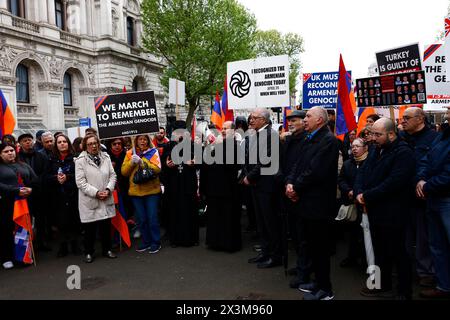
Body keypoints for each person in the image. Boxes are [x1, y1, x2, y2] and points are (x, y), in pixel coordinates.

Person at [355, 118, 415, 300]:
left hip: (394, 212)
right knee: (380, 251)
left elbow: (394, 183)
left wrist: (367, 195)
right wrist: (359, 192)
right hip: (375, 210)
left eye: (377, 134)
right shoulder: (375, 149)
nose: (373, 138)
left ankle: (404, 292)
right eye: (372, 133)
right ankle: (382, 285)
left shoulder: (404, 153)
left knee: (398, 253)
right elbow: (363, 172)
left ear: (391, 134)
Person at [285, 106, 339, 300]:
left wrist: (296, 188)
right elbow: (297, 166)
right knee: (311, 246)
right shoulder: (309, 139)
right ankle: (317, 282)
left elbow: (315, 171)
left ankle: (325, 290)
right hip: (304, 202)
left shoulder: (329, 141)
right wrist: (290, 183)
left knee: (320, 248)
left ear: (319, 120)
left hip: (318, 204)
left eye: (308, 116)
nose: (304, 119)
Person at [400, 107, 439, 288]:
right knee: (404, 236)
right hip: (401, 196)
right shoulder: (401, 138)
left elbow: (432, 164)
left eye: (407, 118)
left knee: (423, 236)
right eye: (402, 118)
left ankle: (426, 272)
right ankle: (406, 268)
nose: (403, 121)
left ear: (420, 118)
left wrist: (421, 181)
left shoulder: (434, 138)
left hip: (422, 196)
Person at [415, 107, 450, 299]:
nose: (447, 110)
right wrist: (421, 179)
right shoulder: (442, 135)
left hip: (446, 199)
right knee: (437, 245)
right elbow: (425, 160)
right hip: (433, 199)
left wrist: (428, 185)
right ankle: (444, 286)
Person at [243, 108, 282, 269]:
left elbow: (265, 161)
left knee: (270, 222)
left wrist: (250, 176)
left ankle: (275, 256)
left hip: (267, 186)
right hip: (256, 185)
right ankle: (265, 252)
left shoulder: (271, 135)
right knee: (261, 222)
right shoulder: (255, 135)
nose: (251, 120)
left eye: (255, 117)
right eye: (250, 117)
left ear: (265, 120)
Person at [276, 110, 309, 288]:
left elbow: (305, 167)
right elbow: (282, 162)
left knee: (303, 236)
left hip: (300, 194)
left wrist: (295, 187)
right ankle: (301, 265)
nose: (290, 123)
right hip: (287, 189)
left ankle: (305, 270)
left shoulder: (307, 140)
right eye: (289, 121)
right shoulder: (288, 140)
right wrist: (285, 181)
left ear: (304, 122)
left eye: (294, 120)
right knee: (295, 235)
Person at [75, 134, 117, 263]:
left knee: (105, 226)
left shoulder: (106, 157)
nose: (93, 146)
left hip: (106, 196)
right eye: (90, 144)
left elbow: (112, 175)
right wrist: (97, 192)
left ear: (99, 144)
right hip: (90, 199)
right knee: (90, 229)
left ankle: (107, 249)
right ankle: (89, 252)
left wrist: (109, 189)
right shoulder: (80, 161)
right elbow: (81, 182)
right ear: (85, 146)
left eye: (95, 143)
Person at [201, 121, 241, 252]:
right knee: (215, 216)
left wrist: (219, 147)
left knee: (228, 217)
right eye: (222, 128)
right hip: (213, 186)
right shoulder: (216, 144)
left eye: (226, 128)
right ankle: (215, 242)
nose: (223, 131)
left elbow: (230, 164)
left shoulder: (235, 146)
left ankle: (228, 244)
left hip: (228, 188)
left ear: (233, 131)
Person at [122, 135, 162, 253]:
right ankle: (146, 241)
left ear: (148, 140)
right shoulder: (130, 153)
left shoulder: (153, 152)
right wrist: (131, 163)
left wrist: (142, 161)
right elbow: (124, 172)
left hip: (152, 191)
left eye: (145, 139)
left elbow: (158, 168)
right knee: (142, 219)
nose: (142, 141)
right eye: (140, 139)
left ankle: (156, 242)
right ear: (136, 141)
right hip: (136, 192)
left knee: (152, 217)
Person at [163, 120, 199, 247]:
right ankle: (175, 239)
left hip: (188, 182)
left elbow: (200, 161)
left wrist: (194, 161)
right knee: (175, 210)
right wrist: (167, 164)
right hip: (174, 184)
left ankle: (191, 238)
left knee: (189, 209)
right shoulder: (169, 146)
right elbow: (164, 163)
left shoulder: (192, 145)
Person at [0, 142, 36, 269]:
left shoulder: (23, 165)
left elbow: (34, 180)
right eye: (6, 151)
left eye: (12, 150)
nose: (10, 153)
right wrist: (15, 190)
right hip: (6, 204)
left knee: (25, 228)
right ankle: (6, 257)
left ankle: (23, 255)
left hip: (25, 203)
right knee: (7, 230)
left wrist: (30, 189)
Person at [46, 134, 81, 257]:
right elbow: (45, 177)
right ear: (56, 145)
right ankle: (63, 246)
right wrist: (56, 178)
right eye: (59, 142)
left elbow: (80, 175)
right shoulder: (51, 159)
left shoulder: (75, 158)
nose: (62, 144)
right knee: (61, 221)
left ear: (68, 143)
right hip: (58, 196)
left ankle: (75, 245)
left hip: (73, 194)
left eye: (64, 141)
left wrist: (68, 177)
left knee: (74, 220)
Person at [338, 138, 368, 268]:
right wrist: (348, 190)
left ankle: (365, 259)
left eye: (357, 146)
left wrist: (358, 192)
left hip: (364, 203)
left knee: (364, 233)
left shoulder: (369, 163)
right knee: (352, 232)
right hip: (351, 202)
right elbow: (341, 179)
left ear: (365, 148)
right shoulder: (348, 163)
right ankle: (352, 257)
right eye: (353, 146)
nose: (354, 149)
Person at [18, 133, 51, 252]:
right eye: (25, 141)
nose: (28, 142)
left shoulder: (41, 156)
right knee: (27, 220)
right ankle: (27, 244)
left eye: (29, 140)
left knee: (41, 219)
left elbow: (45, 172)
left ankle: (42, 242)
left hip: (39, 192)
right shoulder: (17, 158)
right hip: (24, 194)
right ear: (20, 143)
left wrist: (35, 185)